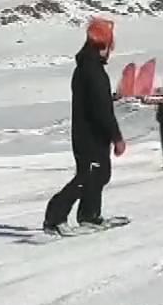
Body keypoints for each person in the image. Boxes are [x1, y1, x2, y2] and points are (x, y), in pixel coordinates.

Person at [44, 17, 128, 233]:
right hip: (90, 136)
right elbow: (102, 108)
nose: (111, 51)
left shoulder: (86, 68)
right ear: (104, 45)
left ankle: (89, 216)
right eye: (110, 45)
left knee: (98, 174)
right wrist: (116, 137)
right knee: (88, 176)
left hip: (90, 134)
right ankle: (55, 218)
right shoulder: (93, 71)